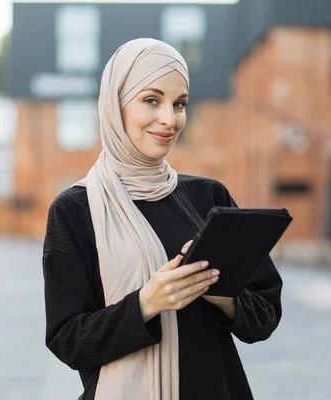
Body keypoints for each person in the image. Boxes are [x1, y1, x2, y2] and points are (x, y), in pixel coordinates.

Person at [42, 38, 283, 400]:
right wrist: (147, 303)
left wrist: (222, 297)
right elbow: (68, 340)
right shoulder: (75, 209)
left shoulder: (208, 196)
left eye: (180, 104)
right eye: (151, 100)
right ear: (116, 104)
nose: (170, 119)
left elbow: (264, 313)